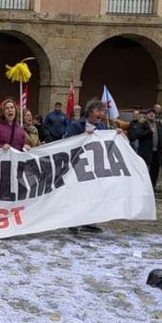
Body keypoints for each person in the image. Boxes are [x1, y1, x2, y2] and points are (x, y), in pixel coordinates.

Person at [65, 99, 109, 234]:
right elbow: (67, 141)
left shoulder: (102, 127)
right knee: (77, 194)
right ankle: (73, 222)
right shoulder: (76, 125)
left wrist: (116, 135)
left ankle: (90, 222)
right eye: (98, 110)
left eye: (103, 111)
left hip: (95, 165)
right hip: (78, 165)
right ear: (90, 111)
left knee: (94, 194)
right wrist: (83, 136)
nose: (101, 114)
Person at [133, 108, 162, 191]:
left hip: (157, 151)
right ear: (146, 115)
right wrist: (149, 131)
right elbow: (138, 135)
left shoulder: (159, 124)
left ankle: (152, 186)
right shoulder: (142, 123)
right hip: (146, 151)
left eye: (153, 113)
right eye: (149, 113)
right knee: (144, 170)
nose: (152, 114)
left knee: (155, 170)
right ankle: (143, 186)